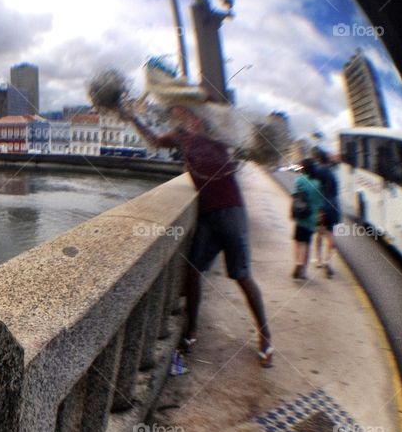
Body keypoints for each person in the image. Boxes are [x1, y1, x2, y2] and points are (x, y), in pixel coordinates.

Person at [123, 103, 273, 368]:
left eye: (180, 111)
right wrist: (133, 118)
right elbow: (155, 141)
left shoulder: (216, 131)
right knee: (192, 272)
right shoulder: (181, 137)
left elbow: (244, 141)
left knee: (241, 275)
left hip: (230, 210)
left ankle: (265, 337)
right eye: (174, 112)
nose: (176, 115)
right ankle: (191, 331)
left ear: (194, 113)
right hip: (206, 215)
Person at [292, 159, 324, 280]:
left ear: (303, 168)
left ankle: (298, 262)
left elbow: (295, 196)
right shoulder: (318, 183)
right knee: (306, 243)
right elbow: (320, 203)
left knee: (297, 241)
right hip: (312, 217)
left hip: (301, 215)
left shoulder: (300, 180)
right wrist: (320, 218)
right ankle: (304, 272)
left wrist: (292, 212)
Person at [311, 147, 340, 278]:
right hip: (334, 206)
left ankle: (318, 260)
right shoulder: (333, 173)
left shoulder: (319, 171)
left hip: (322, 206)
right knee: (330, 235)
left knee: (319, 233)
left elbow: (314, 187)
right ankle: (328, 261)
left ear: (318, 159)